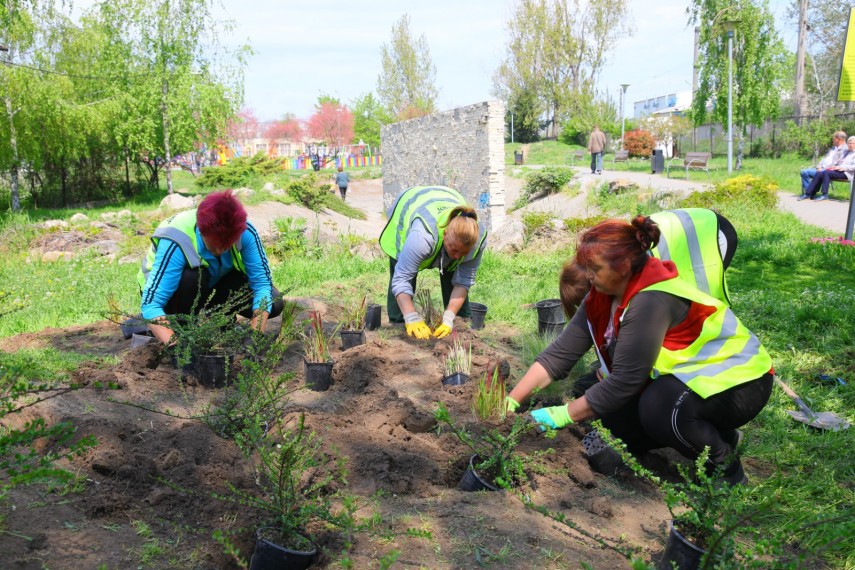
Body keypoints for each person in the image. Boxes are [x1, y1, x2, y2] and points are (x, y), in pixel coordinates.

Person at [506, 215, 774, 485]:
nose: (588, 276)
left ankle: (724, 467)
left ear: (622, 265)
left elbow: (624, 381)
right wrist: (512, 401)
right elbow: (559, 355)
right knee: (613, 420)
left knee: (660, 408)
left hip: (739, 380)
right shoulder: (601, 295)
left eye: (594, 268)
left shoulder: (651, 300)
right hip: (695, 380)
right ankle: (718, 433)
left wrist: (561, 414)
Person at [137, 190, 284, 345]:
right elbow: (151, 304)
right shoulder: (176, 239)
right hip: (173, 291)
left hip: (215, 281)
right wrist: (177, 349)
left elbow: (262, 285)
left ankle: (218, 319)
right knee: (194, 277)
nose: (220, 251)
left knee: (274, 301)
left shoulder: (245, 232)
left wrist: (255, 336)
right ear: (201, 231)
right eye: (214, 246)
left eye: (226, 246)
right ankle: (181, 326)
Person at [378, 185, 488, 340]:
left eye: (463, 252)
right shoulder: (421, 238)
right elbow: (401, 279)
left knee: (453, 271)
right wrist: (411, 317)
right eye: (454, 249)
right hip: (409, 205)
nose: (457, 256)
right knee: (403, 271)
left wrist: (449, 318)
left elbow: (464, 281)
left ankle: (460, 322)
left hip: (445, 197)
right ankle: (398, 323)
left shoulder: (476, 240)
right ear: (445, 234)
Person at [801, 136, 855, 201]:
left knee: (826, 172)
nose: (851, 145)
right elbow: (838, 161)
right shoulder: (846, 151)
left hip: (847, 173)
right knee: (820, 172)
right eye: (850, 143)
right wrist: (833, 166)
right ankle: (808, 193)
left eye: (853, 143)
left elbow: (853, 166)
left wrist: (842, 167)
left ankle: (824, 194)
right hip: (838, 170)